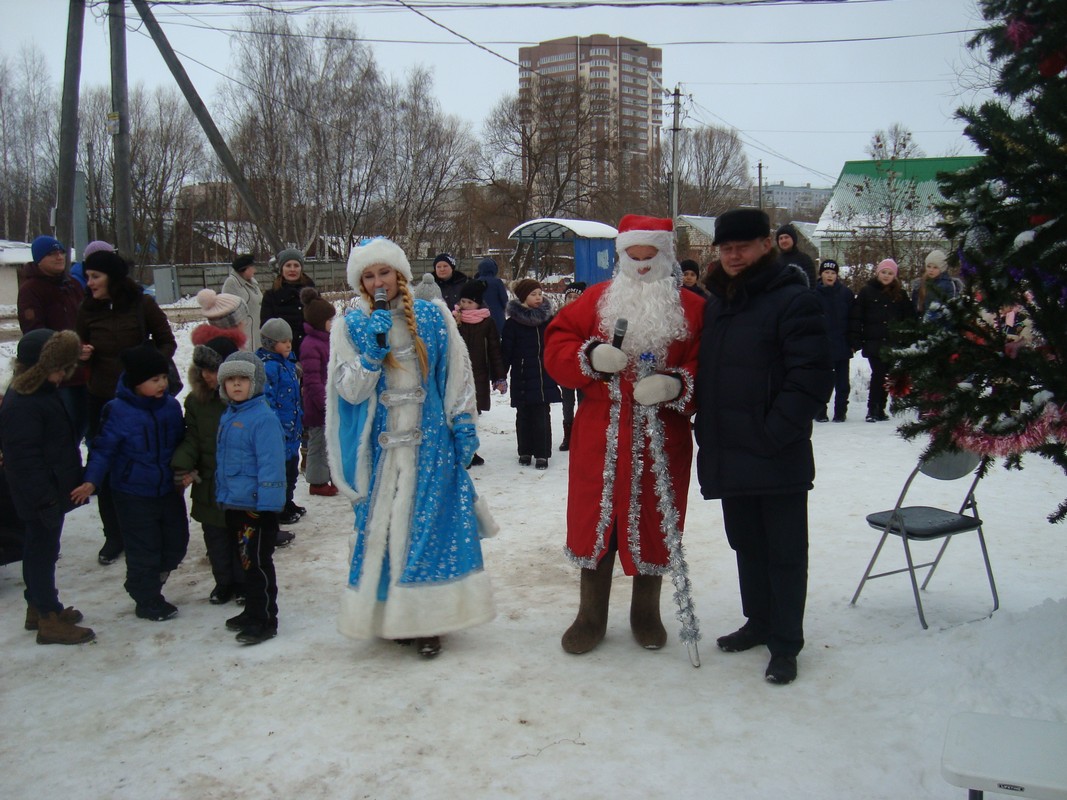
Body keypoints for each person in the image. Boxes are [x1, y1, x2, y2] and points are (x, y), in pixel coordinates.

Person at [326, 237, 495, 658]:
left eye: (383, 271)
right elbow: (347, 392)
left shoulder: (433, 316)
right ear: (360, 282)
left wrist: (463, 424)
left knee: (428, 531)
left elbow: (455, 374)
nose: (377, 281)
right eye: (369, 275)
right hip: (382, 454)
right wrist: (370, 354)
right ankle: (390, 616)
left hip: (430, 444)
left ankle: (428, 621)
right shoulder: (350, 326)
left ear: (398, 273)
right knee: (380, 531)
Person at [544, 214, 704, 655]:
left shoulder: (692, 309)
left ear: (666, 255)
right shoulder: (595, 300)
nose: (642, 264)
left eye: (650, 255)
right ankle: (590, 614)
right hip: (601, 435)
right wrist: (590, 356)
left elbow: (710, 363)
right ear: (621, 258)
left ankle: (646, 611)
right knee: (596, 523)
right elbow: (556, 344)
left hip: (662, 438)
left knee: (654, 520)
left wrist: (677, 384)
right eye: (633, 256)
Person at [695, 209, 831, 685]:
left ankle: (786, 643)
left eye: (744, 247)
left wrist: (774, 433)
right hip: (730, 450)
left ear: (766, 245)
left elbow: (811, 378)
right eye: (726, 248)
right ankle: (758, 621)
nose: (733, 256)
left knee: (785, 551)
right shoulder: (718, 303)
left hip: (775, 452)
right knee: (747, 544)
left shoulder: (794, 299)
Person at [73, 344, 189, 621]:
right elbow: (103, 450)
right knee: (143, 548)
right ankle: (146, 599)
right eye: (154, 380)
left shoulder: (171, 407)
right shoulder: (118, 411)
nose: (162, 384)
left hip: (167, 489)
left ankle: (147, 583)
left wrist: (187, 467)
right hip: (132, 492)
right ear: (136, 382)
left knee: (177, 542)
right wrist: (91, 481)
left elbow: (183, 442)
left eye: (163, 377)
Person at [76, 249, 177, 565]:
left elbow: (166, 340)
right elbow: (76, 345)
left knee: (149, 460)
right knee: (104, 462)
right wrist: (81, 353)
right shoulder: (87, 308)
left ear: (112, 277)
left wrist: (150, 370)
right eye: (88, 276)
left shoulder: (141, 303)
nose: (89, 282)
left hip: (145, 400)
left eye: (95, 276)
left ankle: (156, 529)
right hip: (102, 397)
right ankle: (113, 535)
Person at [1, 329, 95, 644]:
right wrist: (44, 499)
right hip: (39, 495)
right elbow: (24, 459)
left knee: (44, 550)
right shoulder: (23, 403)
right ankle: (48, 620)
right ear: (40, 368)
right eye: (58, 368)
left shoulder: (41, 392)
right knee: (40, 552)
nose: (62, 375)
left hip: (48, 492)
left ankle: (41, 607)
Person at [214, 352, 287, 645]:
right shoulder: (231, 415)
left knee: (257, 563)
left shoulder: (262, 418)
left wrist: (267, 506)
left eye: (242, 379)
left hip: (257, 507)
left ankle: (265, 618)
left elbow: (271, 463)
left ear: (254, 382)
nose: (236, 385)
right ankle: (252, 610)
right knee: (245, 562)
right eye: (230, 380)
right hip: (236, 504)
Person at [172, 330, 246, 606]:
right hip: (209, 484)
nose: (206, 376)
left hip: (238, 484)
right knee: (215, 539)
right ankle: (223, 583)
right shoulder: (196, 402)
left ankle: (242, 583)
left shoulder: (242, 403)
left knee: (240, 538)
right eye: (202, 370)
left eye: (212, 370)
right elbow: (192, 437)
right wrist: (183, 463)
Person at [17, 234, 91, 441]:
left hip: (83, 370)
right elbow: (35, 333)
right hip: (57, 374)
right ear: (39, 259)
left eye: (61, 252)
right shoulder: (30, 290)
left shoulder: (72, 285)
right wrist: (68, 352)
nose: (59, 257)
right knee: (63, 430)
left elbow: (86, 319)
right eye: (52, 254)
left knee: (83, 424)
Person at [502, 278, 562, 470]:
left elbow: (557, 346)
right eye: (533, 294)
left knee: (542, 415)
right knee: (524, 415)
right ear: (522, 298)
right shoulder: (513, 323)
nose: (538, 298)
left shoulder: (548, 321)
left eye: (539, 294)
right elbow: (506, 351)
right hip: (521, 375)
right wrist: (500, 375)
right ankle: (525, 451)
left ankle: (542, 454)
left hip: (544, 375)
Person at [849, 258, 915, 422]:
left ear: (895, 276)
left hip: (893, 342)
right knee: (878, 373)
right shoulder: (867, 292)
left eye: (890, 273)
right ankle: (872, 408)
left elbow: (909, 317)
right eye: (884, 272)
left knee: (887, 375)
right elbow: (857, 317)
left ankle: (881, 409)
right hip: (873, 342)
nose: (886, 276)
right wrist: (856, 339)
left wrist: (906, 338)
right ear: (878, 273)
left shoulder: (900, 294)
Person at [453, 279, 507, 466]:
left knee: (473, 414)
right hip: (458, 374)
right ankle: (459, 451)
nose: (465, 306)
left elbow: (494, 350)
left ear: (478, 302)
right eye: (463, 302)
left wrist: (499, 376)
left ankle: (472, 451)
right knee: (459, 414)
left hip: (479, 374)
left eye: (469, 302)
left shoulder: (486, 321)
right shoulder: (454, 320)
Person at [257, 318, 305, 527]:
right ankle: (279, 507)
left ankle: (288, 501)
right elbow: (268, 399)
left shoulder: (289, 364)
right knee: (281, 472)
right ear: (269, 343)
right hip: (279, 431)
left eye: (289, 341)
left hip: (292, 428)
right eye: (283, 341)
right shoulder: (269, 367)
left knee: (292, 469)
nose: (288, 345)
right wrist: (275, 425)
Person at [299, 287, 339, 496]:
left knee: (330, 444)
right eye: (330, 320)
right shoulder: (310, 345)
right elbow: (313, 381)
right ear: (319, 321)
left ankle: (332, 477)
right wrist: (325, 404)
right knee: (318, 446)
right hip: (318, 408)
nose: (333, 324)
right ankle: (317, 481)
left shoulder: (326, 341)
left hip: (329, 403)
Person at [814, 260, 855, 422]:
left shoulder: (846, 293)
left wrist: (853, 342)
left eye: (832, 273)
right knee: (822, 382)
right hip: (822, 347)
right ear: (821, 274)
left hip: (842, 345)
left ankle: (840, 412)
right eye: (826, 272)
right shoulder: (813, 294)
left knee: (843, 383)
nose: (829, 276)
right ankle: (820, 411)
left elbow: (853, 319)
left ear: (837, 275)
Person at [262, 249, 315, 358]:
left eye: (296, 265)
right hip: (282, 355)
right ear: (282, 268)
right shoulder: (271, 296)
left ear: (301, 268)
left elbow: (321, 323)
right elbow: (266, 329)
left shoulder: (312, 293)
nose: (292, 269)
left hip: (310, 352)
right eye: (288, 265)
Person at [557, 281, 586, 452]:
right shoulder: (560, 317)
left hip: (583, 367)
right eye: (570, 297)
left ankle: (581, 434)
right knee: (567, 402)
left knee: (583, 402)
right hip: (566, 366)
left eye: (576, 297)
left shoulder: (587, 317)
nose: (572, 300)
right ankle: (568, 434)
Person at [221, 253, 264, 350]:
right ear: (245, 268)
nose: (255, 270)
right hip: (244, 335)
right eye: (253, 267)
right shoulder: (232, 284)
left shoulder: (253, 283)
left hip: (257, 333)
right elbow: (228, 312)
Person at [911, 248, 960, 325]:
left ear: (942, 268)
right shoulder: (920, 284)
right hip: (923, 326)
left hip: (941, 326)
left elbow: (952, 307)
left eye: (935, 267)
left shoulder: (948, 284)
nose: (931, 270)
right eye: (929, 266)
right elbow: (916, 307)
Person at [775, 223, 817, 288]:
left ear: (793, 239)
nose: (784, 241)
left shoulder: (805, 259)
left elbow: (811, 285)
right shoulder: (774, 261)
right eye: (780, 238)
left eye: (786, 237)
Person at [474, 256, 509, 334]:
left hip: (480, 314)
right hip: (497, 314)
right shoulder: (497, 282)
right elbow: (504, 299)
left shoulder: (476, 282)